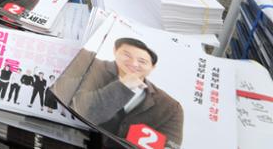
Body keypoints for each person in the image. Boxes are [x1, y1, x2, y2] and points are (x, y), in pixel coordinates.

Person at [53, 38, 184, 147]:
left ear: (152, 67)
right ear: (115, 51)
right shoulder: (87, 63)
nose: (133, 63)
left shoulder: (171, 108)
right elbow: (82, 112)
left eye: (142, 61)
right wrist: (125, 85)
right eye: (127, 55)